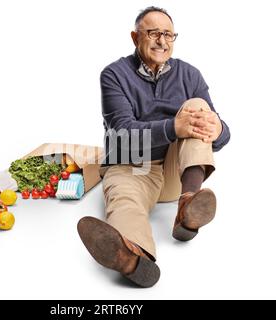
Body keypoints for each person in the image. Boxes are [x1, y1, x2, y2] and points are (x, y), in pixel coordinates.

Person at [77, 6, 230, 287]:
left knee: (199, 108)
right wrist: (174, 127)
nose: (162, 41)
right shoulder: (113, 74)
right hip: (132, 164)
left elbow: (219, 137)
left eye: (169, 34)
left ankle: (187, 207)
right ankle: (134, 255)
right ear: (135, 38)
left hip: (176, 172)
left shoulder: (190, 74)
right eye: (154, 33)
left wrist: (218, 129)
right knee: (125, 202)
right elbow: (122, 132)